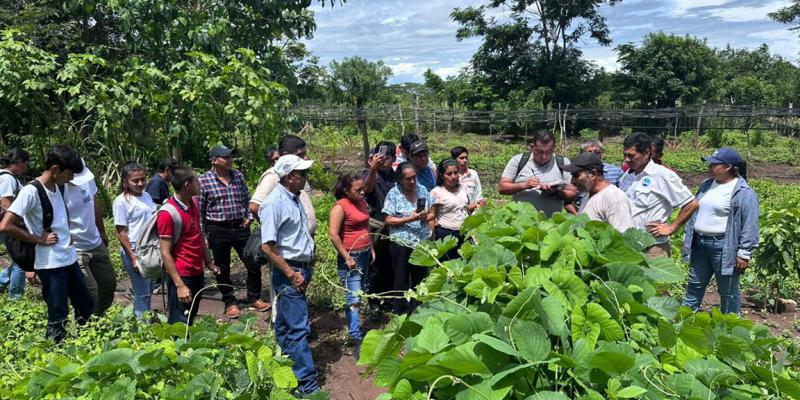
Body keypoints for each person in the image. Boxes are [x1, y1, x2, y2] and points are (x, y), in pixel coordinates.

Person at [0, 145, 93, 342]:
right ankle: (56, 353)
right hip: (50, 264)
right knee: (58, 313)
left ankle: (85, 345)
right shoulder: (31, 191)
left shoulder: (58, 186)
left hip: (68, 258)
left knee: (85, 305)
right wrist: (38, 239)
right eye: (69, 174)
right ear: (56, 170)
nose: (71, 179)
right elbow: (5, 225)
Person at [259, 155, 320, 396]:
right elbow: (267, 246)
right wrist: (291, 274)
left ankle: (286, 372)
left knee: (285, 325)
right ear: (288, 176)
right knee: (298, 328)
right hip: (290, 271)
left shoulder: (293, 198)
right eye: (302, 174)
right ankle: (308, 384)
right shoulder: (274, 203)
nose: (306, 178)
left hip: (298, 268)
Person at [681, 148, 758, 315]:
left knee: (728, 290)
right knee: (694, 286)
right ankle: (682, 323)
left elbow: (749, 225)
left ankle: (730, 329)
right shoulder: (706, 185)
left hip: (724, 247)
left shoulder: (744, 193)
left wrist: (744, 253)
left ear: (728, 167)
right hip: (700, 244)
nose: (710, 166)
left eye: (714, 164)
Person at [199, 145, 268, 319]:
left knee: (253, 261)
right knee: (222, 268)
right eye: (226, 157)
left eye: (231, 157)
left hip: (240, 226)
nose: (230, 160)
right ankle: (230, 301)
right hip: (217, 229)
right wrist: (203, 234)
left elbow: (246, 199)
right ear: (215, 160)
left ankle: (254, 298)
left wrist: (248, 217)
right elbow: (199, 210)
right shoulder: (204, 181)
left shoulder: (238, 176)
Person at [619, 133, 698, 258]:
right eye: (625, 155)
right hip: (629, 244)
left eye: (631, 156)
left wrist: (671, 228)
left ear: (646, 153)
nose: (627, 160)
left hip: (653, 247)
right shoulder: (628, 175)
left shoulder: (662, 175)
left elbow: (691, 204)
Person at [158, 166, 219, 325]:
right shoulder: (167, 214)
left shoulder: (194, 204)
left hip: (196, 271)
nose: (199, 184)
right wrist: (180, 285)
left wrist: (209, 261)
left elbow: (198, 235)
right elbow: (165, 252)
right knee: (179, 321)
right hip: (181, 274)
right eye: (196, 181)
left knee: (190, 315)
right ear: (187, 185)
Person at [328, 173, 371, 356]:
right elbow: (333, 234)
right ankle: (355, 335)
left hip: (365, 252)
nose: (362, 192)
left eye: (363, 188)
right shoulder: (340, 207)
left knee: (362, 290)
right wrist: (347, 257)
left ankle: (357, 329)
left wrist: (372, 248)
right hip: (351, 256)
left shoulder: (361, 202)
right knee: (353, 297)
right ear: (346, 190)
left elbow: (366, 226)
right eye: (358, 190)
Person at [382, 162, 434, 314]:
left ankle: (419, 311)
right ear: (400, 179)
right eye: (408, 179)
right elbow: (388, 219)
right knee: (401, 279)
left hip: (421, 242)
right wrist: (408, 219)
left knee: (421, 278)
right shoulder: (394, 193)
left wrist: (425, 218)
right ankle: (401, 313)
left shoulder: (422, 190)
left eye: (414, 177)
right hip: (401, 243)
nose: (412, 181)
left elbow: (432, 212)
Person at [65, 160, 116, 315]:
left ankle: (97, 319)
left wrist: (101, 231)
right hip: (77, 249)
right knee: (89, 292)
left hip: (95, 242)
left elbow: (94, 203)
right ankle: (86, 327)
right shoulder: (59, 189)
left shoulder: (87, 180)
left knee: (108, 284)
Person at [113, 161, 156, 320]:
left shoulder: (147, 196)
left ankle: (147, 319)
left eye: (143, 179)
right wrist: (132, 256)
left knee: (149, 288)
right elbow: (121, 232)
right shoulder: (121, 202)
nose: (140, 183)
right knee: (142, 291)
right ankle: (143, 327)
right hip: (135, 250)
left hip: (149, 249)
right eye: (135, 181)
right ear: (125, 182)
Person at [498, 130, 576, 217]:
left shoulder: (563, 163)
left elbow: (572, 193)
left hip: (551, 224)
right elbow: (502, 187)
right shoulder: (518, 160)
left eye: (548, 151)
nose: (544, 156)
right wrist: (524, 185)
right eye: (540, 151)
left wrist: (555, 192)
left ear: (554, 148)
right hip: (521, 222)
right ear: (532, 147)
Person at [250, 135, 317, 235]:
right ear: (286, 155)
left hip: (303, 241)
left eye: (305, 153)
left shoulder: (299, 172)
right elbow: (255, 207)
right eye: (301, 154)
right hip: (288, 245)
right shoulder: (274, 175)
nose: (305, 158)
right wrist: (276, 233)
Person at [363, 142, 398, 304]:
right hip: (376, 224)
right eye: (380, 157)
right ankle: (374, 300)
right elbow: (367, 190)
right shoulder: (370, 174)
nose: (383, 161)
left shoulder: (397, 176)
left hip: (395, 224)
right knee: (375, 263)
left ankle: (389, 298)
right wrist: (373, 169)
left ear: (394, 159)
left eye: (387, 157)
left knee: (391, 262)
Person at [565, 153, 633, 233]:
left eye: (576, 176)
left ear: (593, 174)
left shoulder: (614, 198)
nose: (572, 181)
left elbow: (623, 237)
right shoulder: (588, 195)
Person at [430, 159, 483, 260]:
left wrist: (474, 205)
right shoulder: (436, 192)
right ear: (441, 175)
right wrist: (432, 238)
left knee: (465, 263)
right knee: (448, 265)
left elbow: (464, 209)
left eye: (455, 173)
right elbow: (432, 217)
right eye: (449, 174)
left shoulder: (462, 188)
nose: (453, 177)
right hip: (446, 234)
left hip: (464, 232)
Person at [0, 148, 29, 299]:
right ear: (19, 162)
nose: (26, 168)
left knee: (18, 258)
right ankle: (16, 299)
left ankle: (1, 282)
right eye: (26, 164)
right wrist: (17, 224)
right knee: (20, 260)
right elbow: (6, 204)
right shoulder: (8, 178)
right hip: (6, 225)